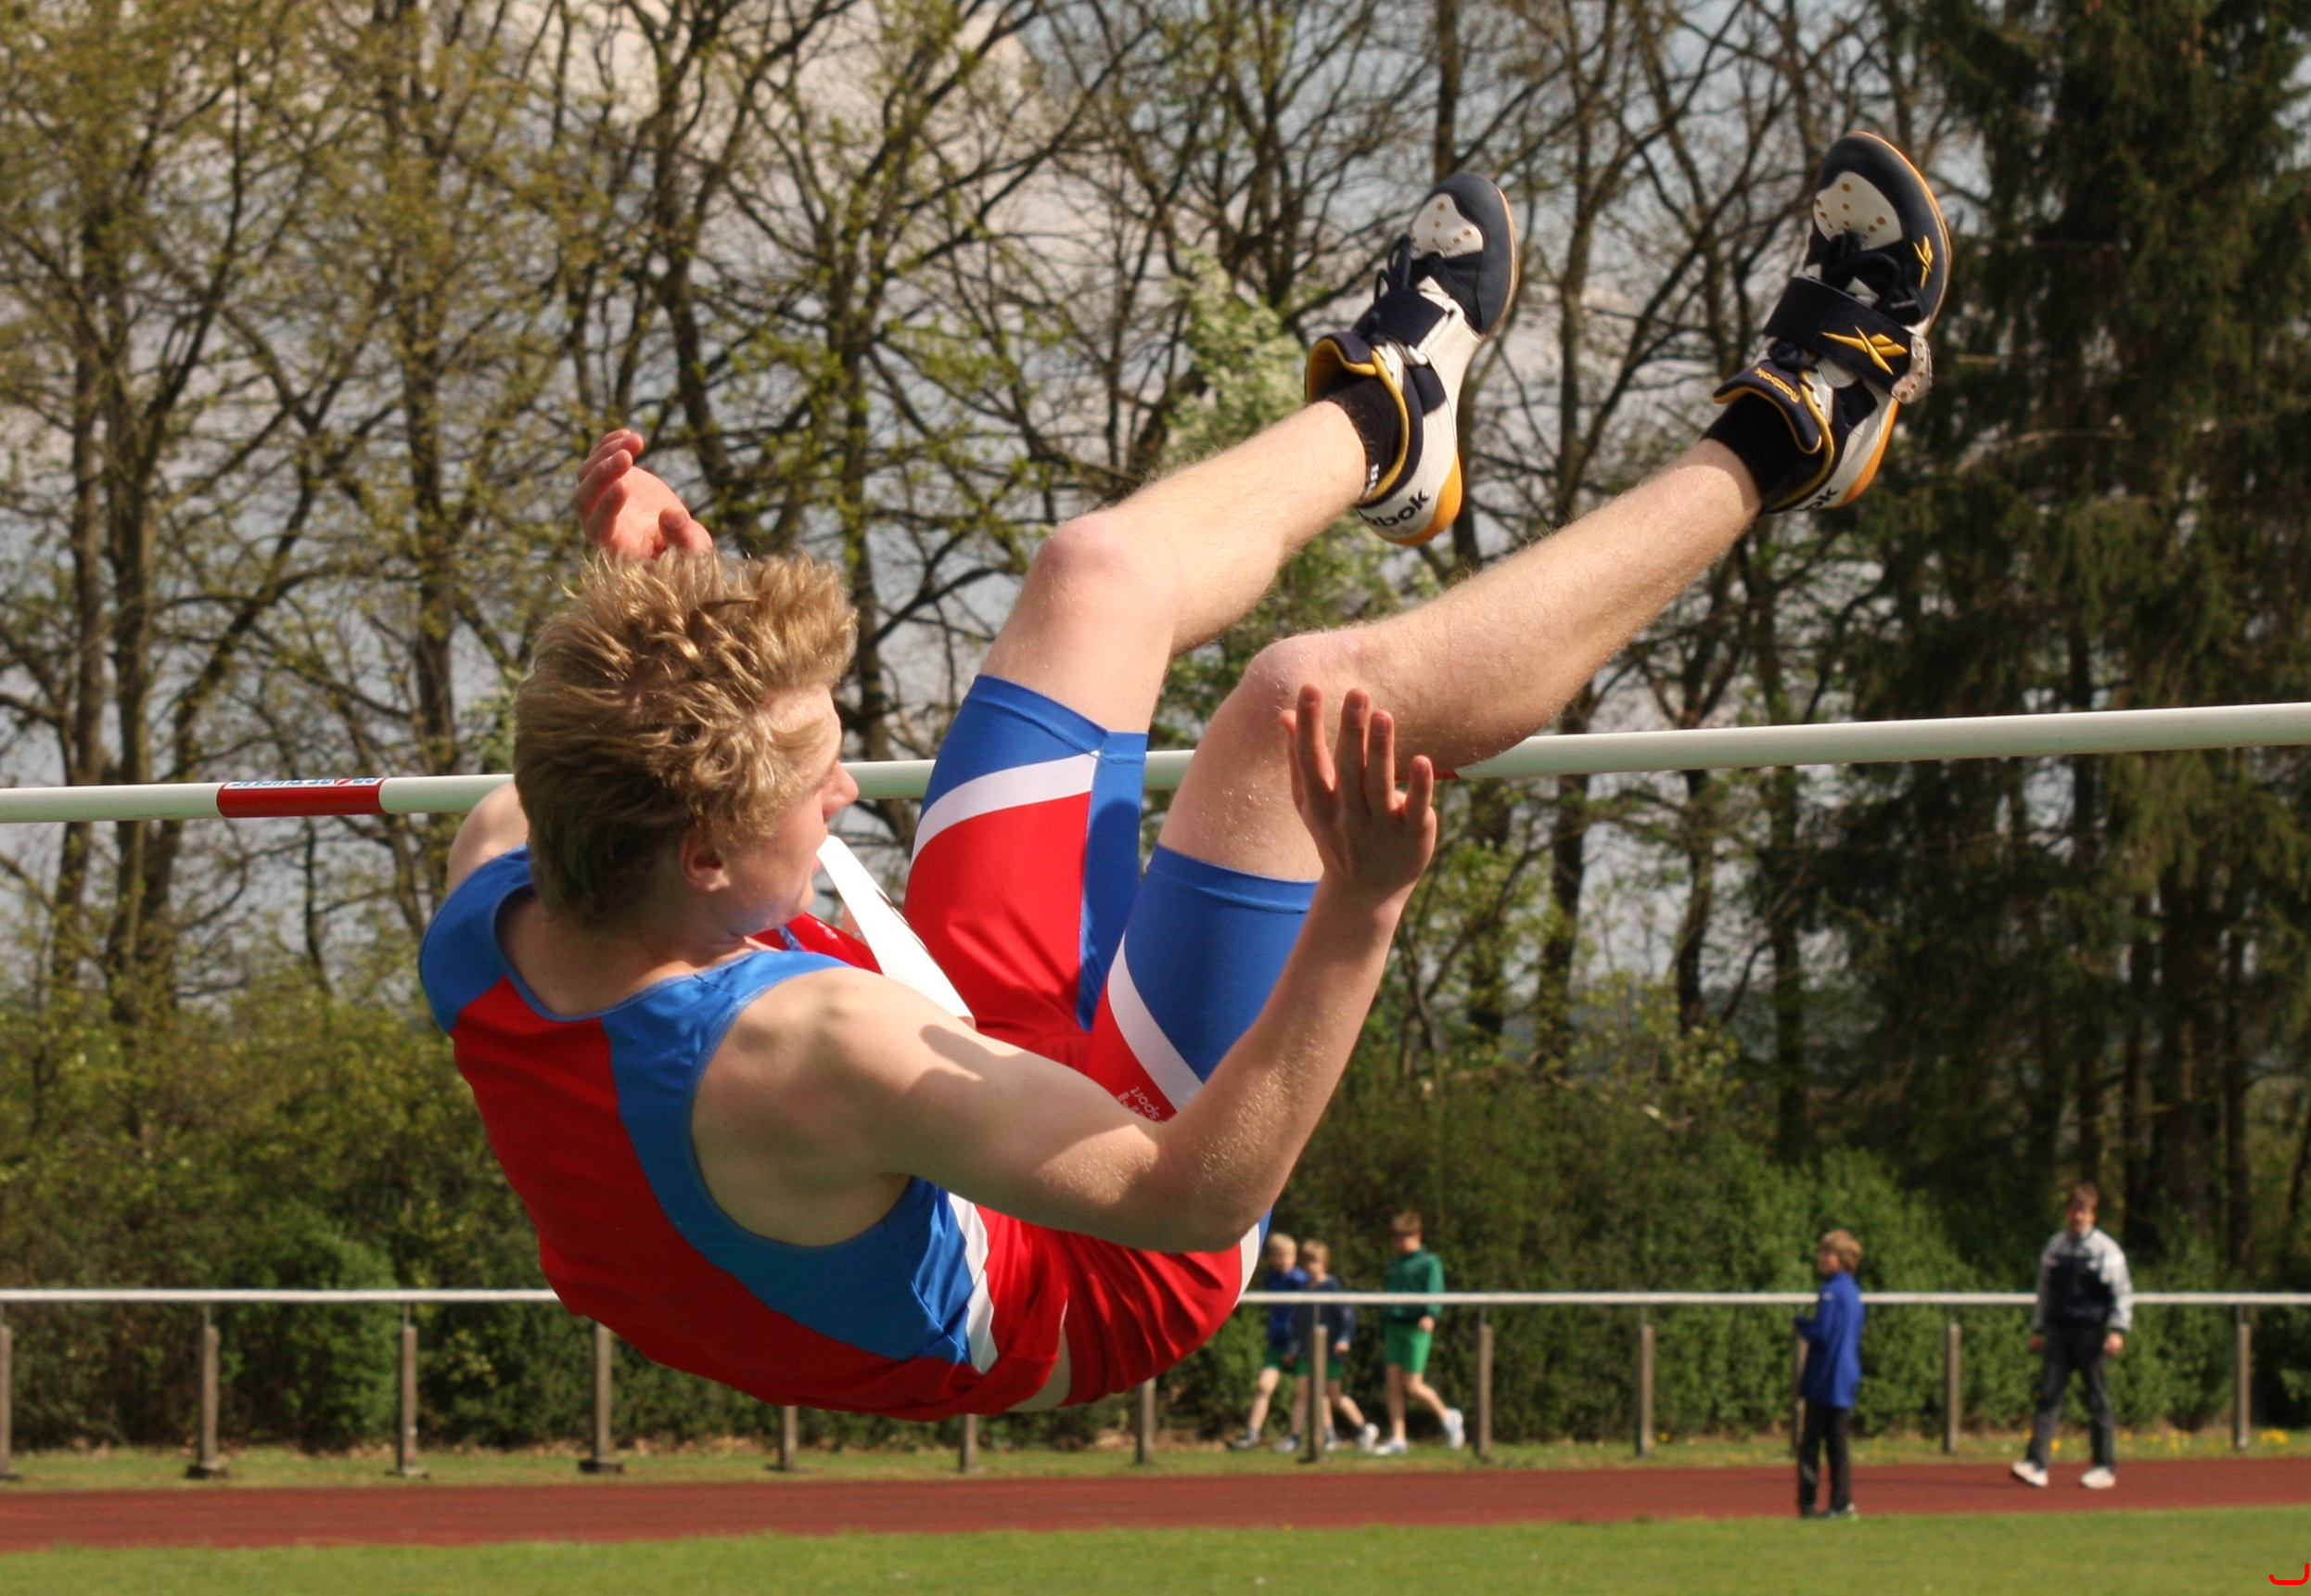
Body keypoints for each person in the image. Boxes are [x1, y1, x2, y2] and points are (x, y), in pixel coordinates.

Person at [419, 132, 1949, 1420]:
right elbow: (1194, 1195)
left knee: (1093, 573)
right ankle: (1797, 421)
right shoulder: (801, 1050)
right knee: (1300, 709)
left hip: (945, 1071)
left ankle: (1389, 412)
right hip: (1108, 1252)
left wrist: (658, 617)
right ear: (697, 853)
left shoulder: (504, 859)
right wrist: (1357, 911)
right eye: (815, 782)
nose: (849, 801)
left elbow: (610, 754)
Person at [2011, 1181, 2134, 1490]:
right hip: (2059, 1331)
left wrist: (2118, 1330)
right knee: (2048, 1397)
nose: (2077, 1217)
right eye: (2073, 1210)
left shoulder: (2106, 1250)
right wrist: (2038, 1328)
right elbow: (2044, 1291)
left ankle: (2104, 1466)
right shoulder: (2055, 1247)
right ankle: (2037, 1464)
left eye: (2084, 1211)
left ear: (2093, 1215)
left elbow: (2122, 1292)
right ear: (2067, 1212)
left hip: (2090, 1333)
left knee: (2097, 1399)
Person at [1375, 1210, 1462, 1453]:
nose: (1399, 1243)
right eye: (1396, 1238)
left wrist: (1430, 1314)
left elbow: (1435, 1290)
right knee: (1393, 1382)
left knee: (1413, 1385)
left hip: (1416, 1328)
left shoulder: (1429, 1261)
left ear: (1418, 1236)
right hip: (1394, 1326)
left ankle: (1448, 1417)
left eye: (1404, 1238)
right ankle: (1398, 1437)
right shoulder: (1395, 1262)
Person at [1794, 1229, 1866, 1519]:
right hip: (1846, 1374)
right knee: (1838, 1443)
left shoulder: (1831, 1291)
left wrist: (1801, 1323)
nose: (1821, 1258)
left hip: (1827, 1376)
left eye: (1827, 1253)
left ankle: (1808, 1503)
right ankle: (1842, 1502)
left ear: (1842, 1258)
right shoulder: (1852, 1290)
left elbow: (1822, 1333)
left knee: (1812, 1443)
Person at [1292, 1240, 1377, 1452]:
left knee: (1334, 1396)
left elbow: (1347, 1316)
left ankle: (1362, 1428)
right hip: (1307, 1351)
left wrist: (1344, 1339)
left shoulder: (1332, 1287)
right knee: (1308, 1391)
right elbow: (1298, 1322)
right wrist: (1293, 1347)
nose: (1310, 1266)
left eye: (1314, 1262)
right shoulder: (1304, 1289)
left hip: (1329, 1351)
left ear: (1324, 1263)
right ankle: (1317, 1435)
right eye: (1307, 1262)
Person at [1227, 1232, 1308, 1449]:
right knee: (1264, 1386)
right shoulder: (1271, 1278)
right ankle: (1252, 1435)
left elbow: (1304, 1316)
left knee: (1308, 1392)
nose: (1282, 1261)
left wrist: (1294, 1347)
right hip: (1277, 1343)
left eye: (1287, 1256)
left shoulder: (1300, 1280)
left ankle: (1305, 1436)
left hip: (1300, 1344)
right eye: (1278, 1256)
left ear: (1295, 1256)